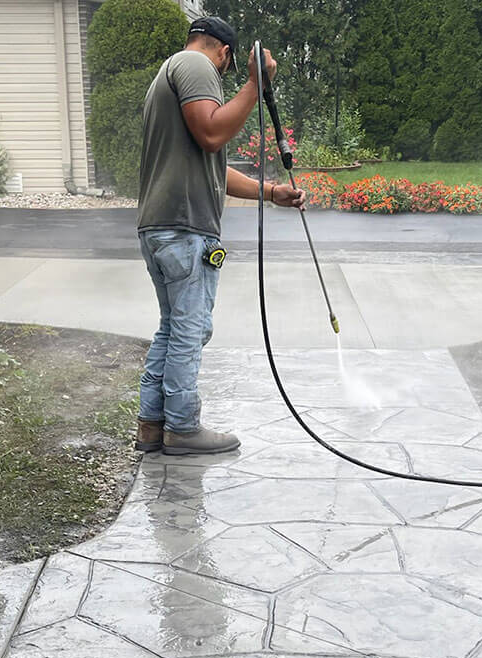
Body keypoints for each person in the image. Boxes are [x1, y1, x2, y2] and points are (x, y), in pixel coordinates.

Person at [134, 16, 305, 456]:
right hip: (185, 228)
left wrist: (270, 193)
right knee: (190, 330)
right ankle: (183, 428)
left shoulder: (170, 74)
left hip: (163, 226)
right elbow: (212, 134)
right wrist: (254, 84)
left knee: (173, 329)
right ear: (224, 54)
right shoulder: (195, 67)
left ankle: (152, 425)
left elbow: (211, 164)